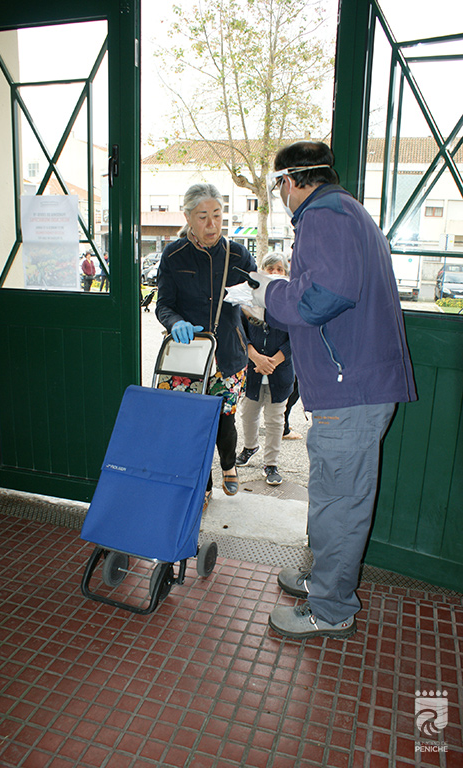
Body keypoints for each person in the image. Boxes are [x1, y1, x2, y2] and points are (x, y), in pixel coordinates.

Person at [249, 141, 417, 640]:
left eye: (279, 184)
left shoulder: (325, 216)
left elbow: (325, 296)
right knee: (331, 497)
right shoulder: (344, 212)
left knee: (339, 505)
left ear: (290, 180)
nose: (280, 193)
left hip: (352, 389)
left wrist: (268, 293)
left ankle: (331, 608)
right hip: (355, 385)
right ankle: (323, 581)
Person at [156, 183, 256, 506]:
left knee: (225, 421)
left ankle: (228, 464)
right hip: (188, 358)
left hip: (227, 355)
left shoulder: (238, 254)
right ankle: (204, 482)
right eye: (203, 216)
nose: (212, 224)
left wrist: (260, 297)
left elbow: (258, 298)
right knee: (190, 425)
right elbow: (163, 305)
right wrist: (175, 323)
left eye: (217, 215)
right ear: (188, 217)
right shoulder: (173, 255)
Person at [236, 252, 295, 486]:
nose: (275, 273)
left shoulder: (292, 302)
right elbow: (240, 331)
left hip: (279, 371)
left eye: (280, 269)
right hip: (253, 370)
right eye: (270, 269)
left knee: (275, 420)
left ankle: (271, 463)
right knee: (248, 413)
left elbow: (297, 338)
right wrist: (255, 357)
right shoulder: (248, 299)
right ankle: (250, 447)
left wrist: (274, 361)